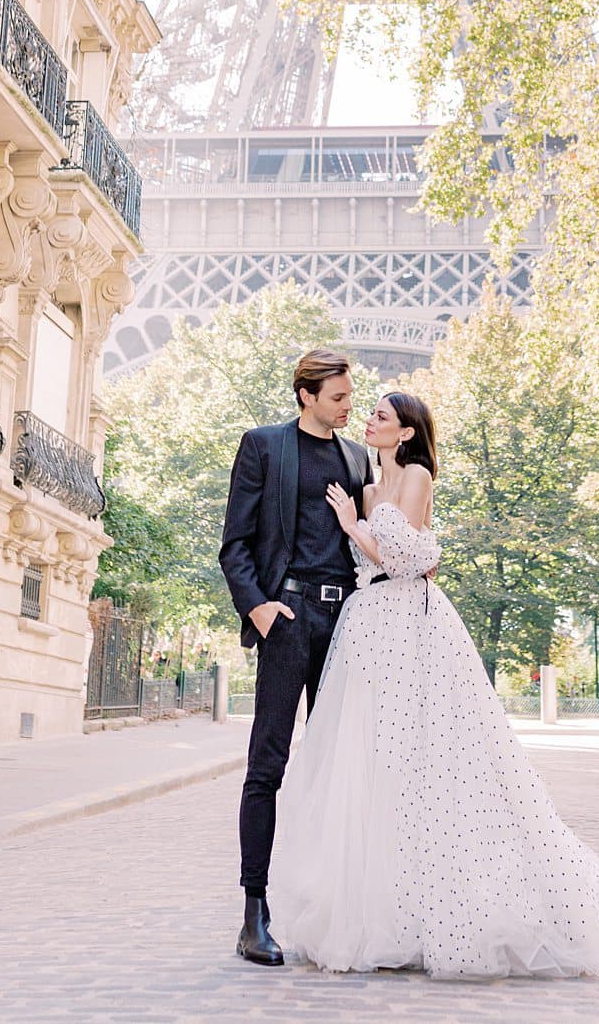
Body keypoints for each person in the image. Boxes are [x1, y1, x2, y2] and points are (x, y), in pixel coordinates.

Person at [269, 390, 599, 982]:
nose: (370, 421)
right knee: (377, 769)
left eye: (381, 416)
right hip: (370, 626)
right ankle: (388, 912)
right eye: (370, 413)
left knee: (428, 765)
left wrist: (354, 528)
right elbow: (407, 557)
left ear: (406, 433)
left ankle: (437, 912)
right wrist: (365, 525)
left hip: (411, 627)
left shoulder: (416, 479)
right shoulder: (372, 486)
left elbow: (407, 562)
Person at [218, 347, 371, 967]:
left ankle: (341, 911)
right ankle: (254, 912)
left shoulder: (358, 458)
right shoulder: (263, 446)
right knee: (268, 766)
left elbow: (372, 538)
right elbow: (235, 545)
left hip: (347, 622)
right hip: (287, 617)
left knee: (346, 770)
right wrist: (258, 608)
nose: (349, 406)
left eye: (350, 395)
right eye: (338, 397)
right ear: (306, 394)